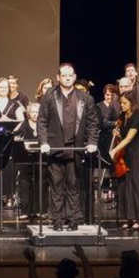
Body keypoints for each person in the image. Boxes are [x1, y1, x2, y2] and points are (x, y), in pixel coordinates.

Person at [36, 63, 100, 231]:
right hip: (54, 148)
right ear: (58, 77)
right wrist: (43, 142)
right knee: (56, 185)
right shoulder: (50, 95)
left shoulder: (85, 98)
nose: (67, 78)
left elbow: (93, 124)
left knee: (73, 185)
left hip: (75, 148)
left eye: (70, 75)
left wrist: (92, 142)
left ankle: (74, 219)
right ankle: (57, 220)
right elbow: (41, 121)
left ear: (74, 77)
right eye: (64, 75)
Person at [111, 92, 139, 231]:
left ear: (132, 103)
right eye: (121, 103)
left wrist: (114, 150)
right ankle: (128, 217)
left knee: (136, 185)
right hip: (126, 153)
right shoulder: (122, 117)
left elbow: (129, 138)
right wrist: (117, 134)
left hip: (138, 153)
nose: (122, 105)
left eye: (125, 103)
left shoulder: (137, 116)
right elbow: (123, 136)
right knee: (125, 185)